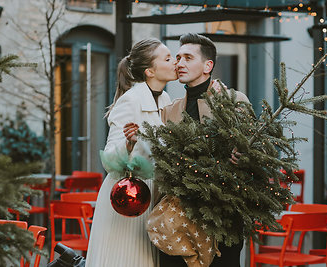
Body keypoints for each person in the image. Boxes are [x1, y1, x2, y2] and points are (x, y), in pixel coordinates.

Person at [85, 38, 177, 267]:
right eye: (167, 58)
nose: (174, 61)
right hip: (130, 198)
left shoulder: (165, 99)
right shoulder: (130, 100)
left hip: (154, 196)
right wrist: (129, 145)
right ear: (149, 71)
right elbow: (109, 160)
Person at [160, 33, 249, 267]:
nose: (179, 64)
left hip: (223, 215)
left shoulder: (234, 100)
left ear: (208, 65)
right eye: (178, 58)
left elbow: (254, 149)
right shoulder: (170, 111)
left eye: (188, 58)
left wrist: (241, 156)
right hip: (181, 215)